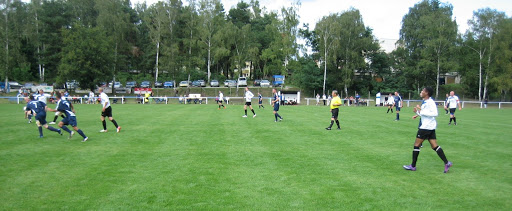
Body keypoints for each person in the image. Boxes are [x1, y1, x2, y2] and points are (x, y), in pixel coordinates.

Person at [403, 87, 452, 173]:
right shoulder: (426, 102)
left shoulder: (430, 102)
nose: (421, 92)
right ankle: (447, 163)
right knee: (434, 146)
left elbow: (435, 113)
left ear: (427, 93)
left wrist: (421, 112)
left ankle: (413, 166)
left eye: (423, 91)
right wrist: (417, 113)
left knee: (416, 145)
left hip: (426, 127)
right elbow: (425, 114)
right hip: (430, 127)